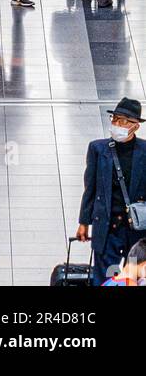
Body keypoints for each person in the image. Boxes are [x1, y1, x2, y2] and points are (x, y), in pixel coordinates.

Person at [77, 97, 146, 284]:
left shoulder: (144, 151)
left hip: (136, 230)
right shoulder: (98, 149)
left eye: (123, 121)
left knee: (133, 276)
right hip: (108, 230)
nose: (117, 124)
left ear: (135, 126)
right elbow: (90, 187)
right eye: (115, 119)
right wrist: (84, 221)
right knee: (107, 276)